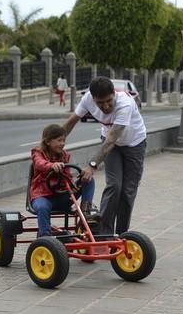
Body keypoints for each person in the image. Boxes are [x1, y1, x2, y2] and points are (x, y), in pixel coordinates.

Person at [62, 76, 147, 236]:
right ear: (93, 99)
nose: (106, 106)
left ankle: (122, 235)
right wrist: (50, 143)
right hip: (110, 145)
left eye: (109, 101)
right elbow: (71, 121)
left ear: (113, 94)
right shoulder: (87, 99)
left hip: (134, 144)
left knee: (128, 191)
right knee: (114, 186)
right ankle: (103, 234)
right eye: (100, 103)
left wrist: (92, 165)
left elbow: (111, 140)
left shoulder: (125, 104)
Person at [30, 124, 99, 237]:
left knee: (88, 179)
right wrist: (51, 166)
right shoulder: (38, 153)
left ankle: (86, 214)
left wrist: (80, 177)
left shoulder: (64, 155)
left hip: (62, 197)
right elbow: (39, 164)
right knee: (42, 207)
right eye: (59, 140)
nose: (62, 143)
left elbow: (68, 177)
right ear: (48, 142)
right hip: (43, 197)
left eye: (64, 140)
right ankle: (45, 237)